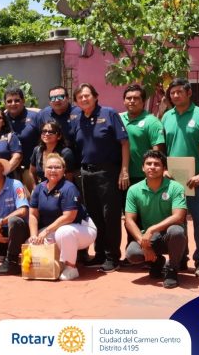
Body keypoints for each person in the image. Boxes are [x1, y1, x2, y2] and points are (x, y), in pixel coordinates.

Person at [70, 83, 130, 273]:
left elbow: (124, 143)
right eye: (80, 97)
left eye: (87, 95)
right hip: (86, 173)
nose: (84, 99)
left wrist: (124, 170)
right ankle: (100, 254)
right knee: (94, 215)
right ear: (76, 101)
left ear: (95, 96)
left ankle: (113, 257)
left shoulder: (109, 113)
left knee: (110, 216)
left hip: (108, 173)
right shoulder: (76, 118)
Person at [161, 77, 199, 278]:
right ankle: (181, 258)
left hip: (196, 178)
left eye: (179, 92)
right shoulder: (167, 116)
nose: (175, 95)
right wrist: (164, 169)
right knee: (178, 220)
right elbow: (162, 147)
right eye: (172, 93)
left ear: (189, 93)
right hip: (174, 180)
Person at [123, 150, 187, 289]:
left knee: (176, 231)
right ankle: (157, 261)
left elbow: (179, 216)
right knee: (133, 254)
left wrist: (152, 229)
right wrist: (144, 244)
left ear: (164, 168)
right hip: (149, 238)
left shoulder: (176, 187)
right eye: (148, 164)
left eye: (157, 164)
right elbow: (129, 220)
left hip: (169, 236)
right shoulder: (133, 190)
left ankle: (172, 270)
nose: (152, 167)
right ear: (143, 167)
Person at [28, 153, 96, 281]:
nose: (53, 170)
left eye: (57, 167)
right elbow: (32, 214)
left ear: (64, 170)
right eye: (50, 167)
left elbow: (69, 217)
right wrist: (34, 235)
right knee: (31, 244)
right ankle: (56, 266)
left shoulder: (69, 188)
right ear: (44, 170)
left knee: (64, 232)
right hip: (55, 230)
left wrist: (46, 232)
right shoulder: (39, 188)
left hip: (83, 229)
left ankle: (71, 268)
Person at [120, 84, 165, 187]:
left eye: (136, 98)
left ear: (143, 101)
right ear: (124, 101)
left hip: (143, 177)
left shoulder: (152, 122)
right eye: (128, 98)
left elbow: (157, 152)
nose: (132, 101)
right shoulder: (118, 118)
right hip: (121, 176)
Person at [3, 87, 40, 192]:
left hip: (30, 169)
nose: (13, 104)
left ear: (23, 101)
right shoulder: (1, 119)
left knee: (33, 197)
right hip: (9, 171)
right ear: (5, 104)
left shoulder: (35, 117)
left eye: (17, 100)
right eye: (9, 101)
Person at [35, 85, 81, 150]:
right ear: (49, 101)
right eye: (53, 98)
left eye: (60, 97)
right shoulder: (44, 114)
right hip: (51, 155)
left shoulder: (78, 112)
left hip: (74, 154)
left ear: (68, 98)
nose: (56, 100)